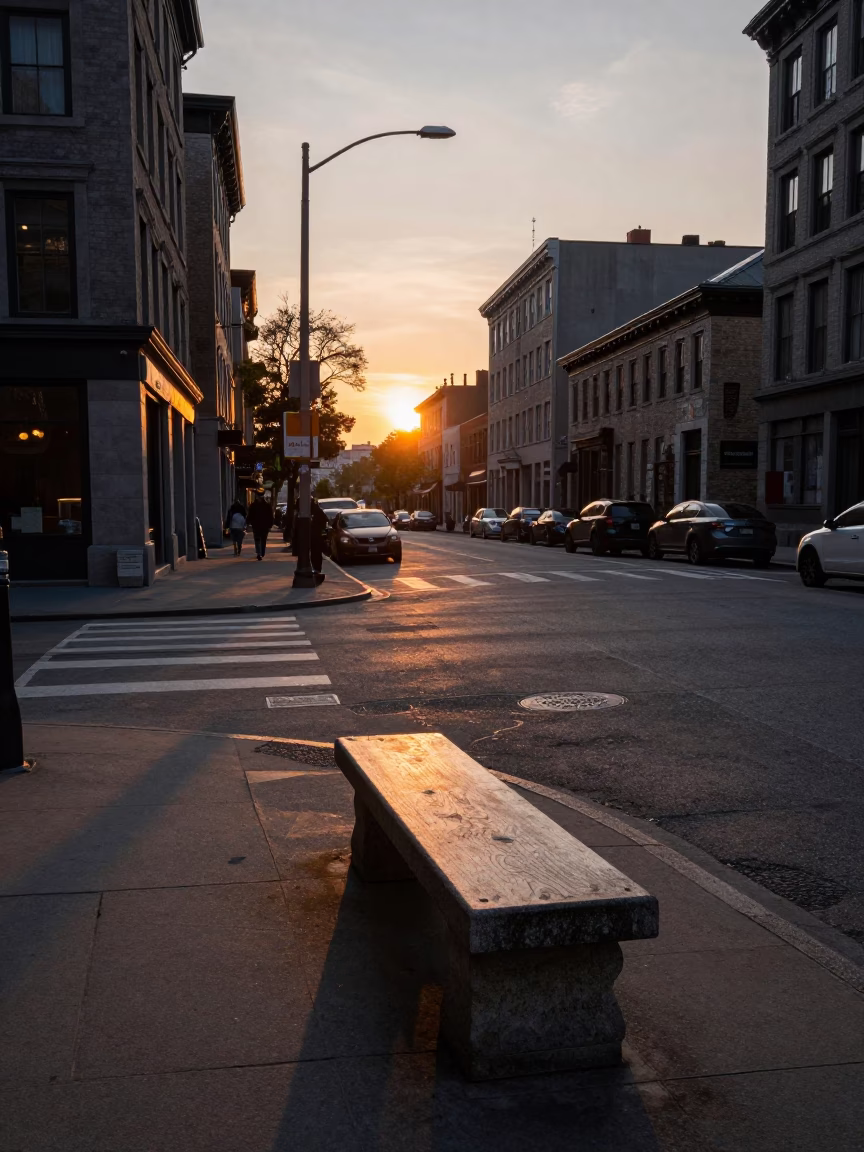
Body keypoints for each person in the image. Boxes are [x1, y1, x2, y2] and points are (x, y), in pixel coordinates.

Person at [246, 492, 274, 561]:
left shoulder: (255, 505)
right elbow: (250, 515)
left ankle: (261, 552)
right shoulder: (266, 505)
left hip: (261, 525)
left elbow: (270, 516)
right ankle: (259, 553)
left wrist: (270, 524)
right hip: (259, 525)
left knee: (262, 540)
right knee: (258, 539)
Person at [310, 497, 328, 580]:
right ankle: (316, 569)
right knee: (315, 554)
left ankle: (316, 569)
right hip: (315, 535)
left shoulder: (316, 511)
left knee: (316, 554)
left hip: (316, 535)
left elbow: (324, 522)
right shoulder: (315, 510)